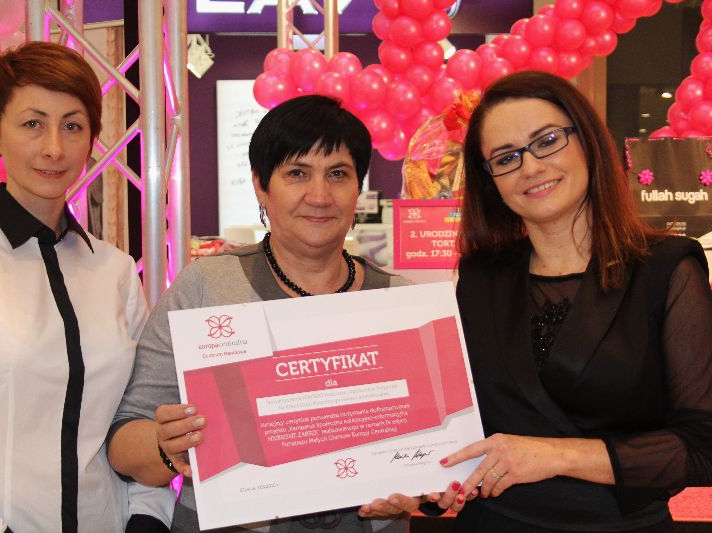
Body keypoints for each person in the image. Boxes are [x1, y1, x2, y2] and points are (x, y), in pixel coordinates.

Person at [107, 95, 418, 532]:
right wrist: (165, 445)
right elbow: (124, 441)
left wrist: (422, 487)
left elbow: (434, 451)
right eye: (297, 173)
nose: (319, 196)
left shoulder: (402, 302)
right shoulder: (206, 286)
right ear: (260, 185)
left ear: (358, 188)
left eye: (338, 174)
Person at [425, 71, 712, 531]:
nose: (530, 168)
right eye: (506, 158)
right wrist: (423, 478)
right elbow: (457, 424)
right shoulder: (479, 277)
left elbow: (701, 448)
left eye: (547, 141)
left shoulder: (667, 269)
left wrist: (556, 456)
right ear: (489, 180)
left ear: (588, 142)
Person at [0, 42, 172, 532]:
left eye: (72, 126)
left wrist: (148, 515)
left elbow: (136, 416)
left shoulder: (115, 271)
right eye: (33, 124)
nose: (54, 148)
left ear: (92, 137)